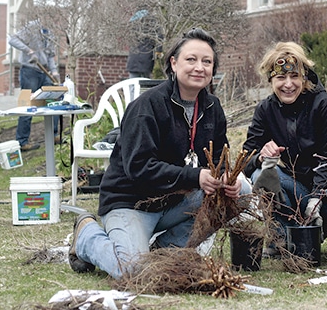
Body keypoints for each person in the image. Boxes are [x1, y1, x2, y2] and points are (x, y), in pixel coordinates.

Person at [68, 28, 250, 279]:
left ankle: (164, 251)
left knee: (243, 192)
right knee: (132, 271)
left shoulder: (211, 107)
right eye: (191, 59)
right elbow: (138, 168)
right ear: (174, 63)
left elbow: (218, 158)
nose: (199, 67)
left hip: (175, 202)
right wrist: (195, 177)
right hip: (132, 203)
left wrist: (228, 178)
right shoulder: (147, 106)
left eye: (207, 62)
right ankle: (87, 236)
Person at [242, 41, 327, 261]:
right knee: (262, 175)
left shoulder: (325, 104)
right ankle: (282, 239)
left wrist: (316, 196)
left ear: (304, 78)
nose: (288, 84)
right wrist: (261, 156)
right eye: (280, 78)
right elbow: (244, 160)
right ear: (271, 80)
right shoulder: (265, 110)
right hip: (298, 185)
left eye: (294, 77)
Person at [8, 20, 60, 151]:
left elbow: (50, 56)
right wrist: (29, 51)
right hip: (29, 71)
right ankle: (22, 142)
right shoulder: (31, 28)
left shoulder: (50, 33)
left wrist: (54, 71)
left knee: (53, 101)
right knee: (28, 105)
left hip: (44, 72)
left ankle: (53, 135)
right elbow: (12, 40)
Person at [126, 9, 163, 79]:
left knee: (132, 85)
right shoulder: (153, 25)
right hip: (146, 61)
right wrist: (159, 52)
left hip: (133, 62)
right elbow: (159, 40)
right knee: (145, 84)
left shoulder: (133, 25)